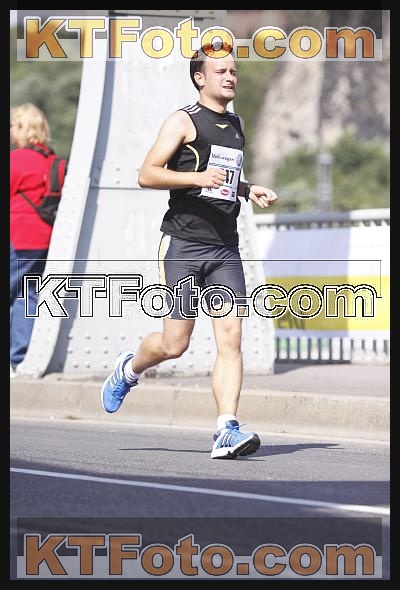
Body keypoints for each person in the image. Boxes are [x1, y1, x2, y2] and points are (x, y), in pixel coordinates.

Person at [101, 43, 278, 459]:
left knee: (232, 338)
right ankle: (129, 368)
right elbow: (147, 174)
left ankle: (226, 429)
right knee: (174, 343)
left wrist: (247, 188)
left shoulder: (236, 123)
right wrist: (197, 178)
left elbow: (223, 179)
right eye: (221, 71)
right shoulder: (182, 121)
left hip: (225, 248)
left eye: (233, 71)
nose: (230, 77)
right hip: (182, 243)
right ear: (200, 78)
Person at [10, 103, 57, 377]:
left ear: (21, 127)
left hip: (18, 238)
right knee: (26, 296)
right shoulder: (51, 159)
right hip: (44, 240)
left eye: (13, 125)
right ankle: (19, 358)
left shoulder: (17, 159)